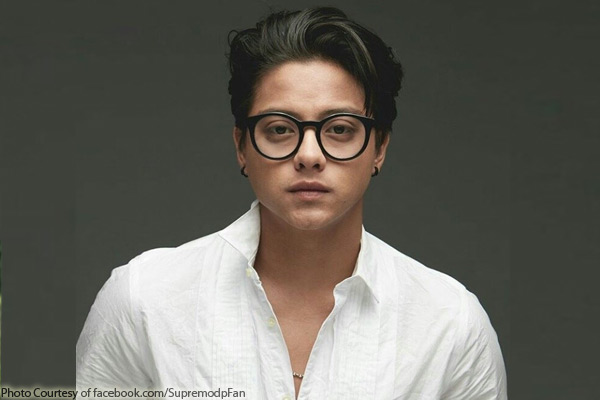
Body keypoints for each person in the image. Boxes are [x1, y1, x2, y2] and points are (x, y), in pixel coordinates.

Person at [77, 7, 507, 400]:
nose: (309, 155)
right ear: (241, 146)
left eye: (340, 129)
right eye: (280, 129)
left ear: (379, 148)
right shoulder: (144, 302)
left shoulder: (449, 325)